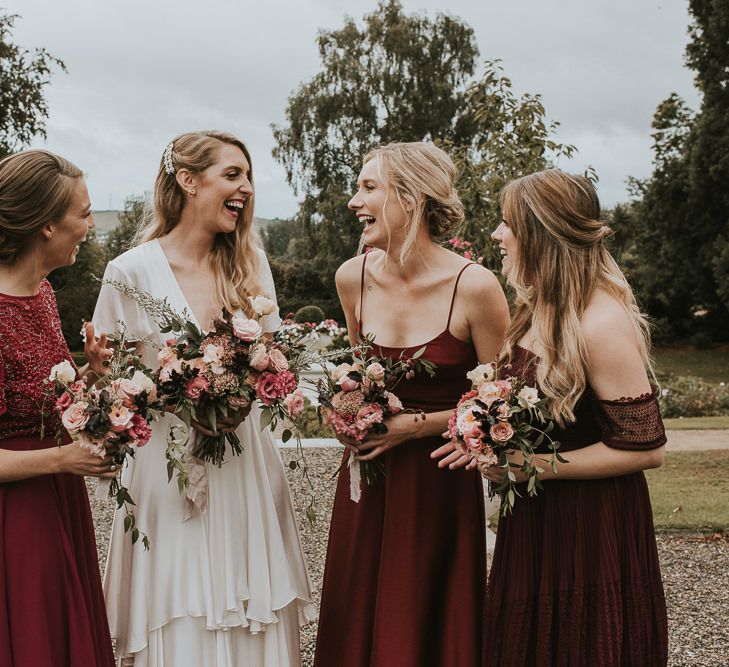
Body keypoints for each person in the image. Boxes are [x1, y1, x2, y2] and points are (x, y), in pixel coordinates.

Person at [92, 131, 315, 667]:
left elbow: (276, 365)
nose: (246, 189)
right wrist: (167, 394)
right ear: (188, 181)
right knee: (178, 607)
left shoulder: (250, 265)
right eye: (231, 175)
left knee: (247, 609)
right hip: (165, 474)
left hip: (243, 467)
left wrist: (257, 388)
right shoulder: (130, 272)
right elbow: (109, 392)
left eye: (248, 176)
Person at [313, 141, 510, 667]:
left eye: (368, 187)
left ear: (412, 198)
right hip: (367, 478)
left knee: (424, 621)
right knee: (356, 614)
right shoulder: (350, 277)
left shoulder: (476, 287)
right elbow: (356, 378)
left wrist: (416, 427)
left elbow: (500, 403)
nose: (354, 201)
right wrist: (347, 410)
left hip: (438, 482)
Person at [470, 169, 667, 665]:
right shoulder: (538, 310)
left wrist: (530, 466)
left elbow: (646, 446)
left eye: (507, 223)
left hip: (590, 527)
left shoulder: (601, 322)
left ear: (542, 232)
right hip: (536, 519)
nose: (497, 234)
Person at [0, 149, 116, 666]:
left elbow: (43, 402)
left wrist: (90, 372)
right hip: (15, 512)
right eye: (84, 213)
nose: (90, 225)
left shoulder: (43, 293)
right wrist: (62, 461)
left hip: (56, 497)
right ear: (46, 225)